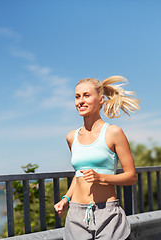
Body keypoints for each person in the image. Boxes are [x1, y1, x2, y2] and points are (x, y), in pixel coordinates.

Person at [54, 76, 139, 240]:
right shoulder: (72, 137)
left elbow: (131, 177)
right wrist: (65, 198)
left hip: (107, 214)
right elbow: (79, 175)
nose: (80, 101)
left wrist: (101, 177)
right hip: (76, 215)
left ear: (101, 99)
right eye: (77, 97)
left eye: (86, 95)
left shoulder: (114, 132)